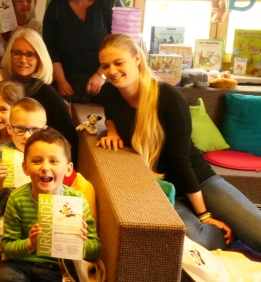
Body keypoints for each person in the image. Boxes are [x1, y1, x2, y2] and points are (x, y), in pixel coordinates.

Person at [97, 33, 261, 253]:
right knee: (195, 241)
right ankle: (231, 229)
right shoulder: (109, 91)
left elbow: (181, 160)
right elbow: (111, 115)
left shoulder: (169, 98)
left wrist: (204, 214)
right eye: (105, 66)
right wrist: (113, 132)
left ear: (137, 58)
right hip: (164, 188)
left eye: (118, 63)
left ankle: (230, 222)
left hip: (197, 179)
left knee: (258, 233)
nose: (112, 71)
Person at [0, 128, 99, 282]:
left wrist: (81, 242)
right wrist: (30, 244)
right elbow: (8, 248)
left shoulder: (76, 200)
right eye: (37, 161)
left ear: (68, 168)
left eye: (54, 161)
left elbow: (95, 249)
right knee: (2, 278)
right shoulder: (17, 198)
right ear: (25, 167)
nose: (45, 167)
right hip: (21, 266)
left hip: (57, 270)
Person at [42, 0, 123, 102]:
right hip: (66, 83)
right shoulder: (56, 7)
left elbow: (122, 43)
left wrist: (101, 75)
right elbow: (49, 47)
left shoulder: (110, 1)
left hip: (106, 80)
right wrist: (61, 81)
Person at [1, 29, 78, 164]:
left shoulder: (50, 96)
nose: (23, 60)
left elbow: (68, 140)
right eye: (17, 53)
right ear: (10, 55)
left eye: (30, 55)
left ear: (40, 59)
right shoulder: (1, 87)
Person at [0, 97, 49, 253]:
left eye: (35, 130)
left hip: (40, 211)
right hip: (7, 211)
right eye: (20, 129)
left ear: (45, 130)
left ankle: (26, 250)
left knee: (51, 237)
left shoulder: (49, 154)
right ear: (9, 128)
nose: (27, 136)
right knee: (0, 237)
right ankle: (22, 250)